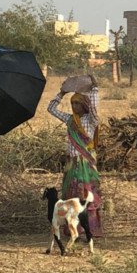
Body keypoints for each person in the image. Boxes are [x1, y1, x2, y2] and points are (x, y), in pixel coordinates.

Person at [47, 75, 103, 238]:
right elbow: (51, 109)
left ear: (84, 104)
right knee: (72, 196)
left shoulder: (91, 120)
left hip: (85, 163)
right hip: (72, 164)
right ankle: (74, 230)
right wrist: (61, 94)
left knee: (87, 195)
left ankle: (91, 229)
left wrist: (94, 89)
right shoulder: (70, 119)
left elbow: (94, 107)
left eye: (78, 103)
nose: (74, 106)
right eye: (72, 103)